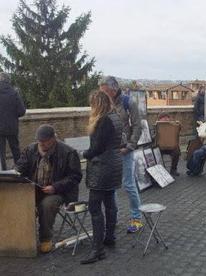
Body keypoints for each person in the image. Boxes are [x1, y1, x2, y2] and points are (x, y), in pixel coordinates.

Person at [15, 124, 82, 253]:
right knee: (20, 201)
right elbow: (20, 167)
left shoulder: (68, 152)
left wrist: (55, 187)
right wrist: (16, 173)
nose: (41, 144)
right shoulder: (30, 149)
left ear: (53, 139)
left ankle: (45, 239)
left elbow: (75, 177)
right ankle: (22, 236)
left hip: (59, 192)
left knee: (47, 204)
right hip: (35, 189)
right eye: (39, 142)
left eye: (44, 142)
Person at [81, 90, 123, 264]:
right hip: (114, 164)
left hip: (102, 168)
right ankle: (109, 237)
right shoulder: (115, 117)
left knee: (95, 207)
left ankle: (97, 249)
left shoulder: (103, 120)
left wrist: (85, 153)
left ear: (97, 104)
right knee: (110, 202)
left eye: (92, 104)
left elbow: (97, 148)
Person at [99, 76, 143, 234]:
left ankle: (136, 218)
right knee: (111, 186)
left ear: (114, 89)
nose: (102, 95)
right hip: (109, 151)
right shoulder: (104, 104)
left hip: (124, 150)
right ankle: (113, 217)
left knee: (128, 184)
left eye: (105, 92)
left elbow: (138, 126)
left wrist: (130, 146)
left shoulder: (128, 102)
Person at [0, 72, 26, 170]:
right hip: (12, 127)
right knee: (15, 150)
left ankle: (2, 173)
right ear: (8, 80)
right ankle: (19, 170)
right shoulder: (14, 93)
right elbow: (22, 111)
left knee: (0, 153)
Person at [157, 112, 181, 176]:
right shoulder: (156, 126)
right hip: (159, 147)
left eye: (167, 117)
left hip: (171, 147)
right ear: (160, 119)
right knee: (155, 152)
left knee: (177, 151)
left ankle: (173, 169)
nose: (166, 119)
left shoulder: (172, 126)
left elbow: (177, 133)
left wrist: (178, 125)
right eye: (163, 117)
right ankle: (158, 170)